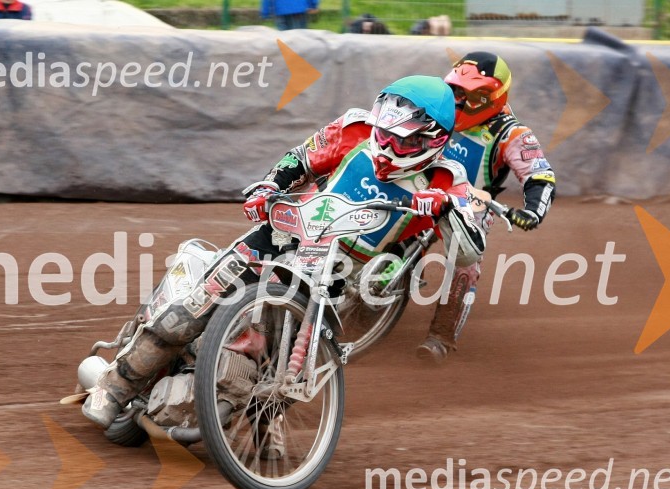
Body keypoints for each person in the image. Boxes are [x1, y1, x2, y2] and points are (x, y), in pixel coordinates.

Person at [82, 75, 486, 429]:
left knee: (305, 353)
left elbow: (469, 252)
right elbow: (301, 157)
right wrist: (269, 186)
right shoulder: (354, 128)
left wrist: (448, 209)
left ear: (431, 139)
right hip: (284, 234)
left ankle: (265, 420)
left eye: (402, 138)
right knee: (193, 309)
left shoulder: (449, 179)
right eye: (385, 132)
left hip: (339, 275)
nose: (388, 144)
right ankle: (115, 386)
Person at [415, 51, 557, 364]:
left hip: (471, 201)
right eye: (455, 91)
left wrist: (533, 211)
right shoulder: (434, 104)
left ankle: (440, 337)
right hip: (421, 181)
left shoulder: (512, 133)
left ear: (492, 96)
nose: (458, 102)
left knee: (468, 261)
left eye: (471, 96)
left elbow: (540, 175)